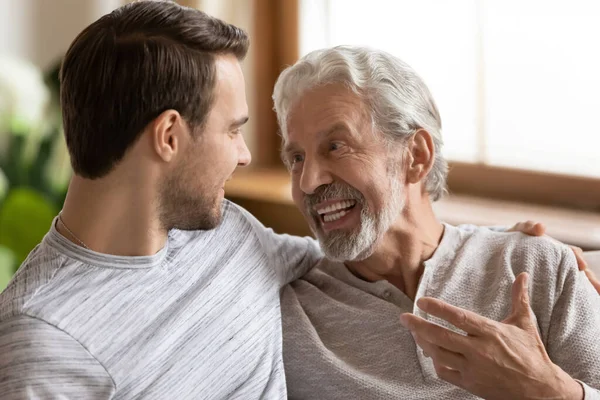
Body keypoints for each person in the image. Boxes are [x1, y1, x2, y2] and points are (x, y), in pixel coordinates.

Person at [0, 2, 322, 399]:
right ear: (169, 135)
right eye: (232, 131)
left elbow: (358, 266)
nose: (245, 155)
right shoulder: (45, 341)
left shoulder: (233, 234)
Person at [274, 46, 600, 399]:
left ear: (416, 156)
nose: (308, 182)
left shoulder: (537, 267)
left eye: (335, 146)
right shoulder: (284, 311)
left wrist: (550, 391)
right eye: (296, 158)